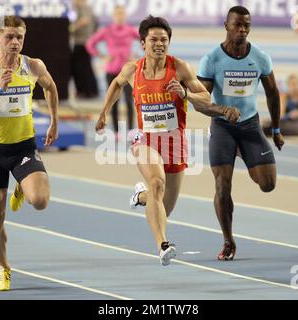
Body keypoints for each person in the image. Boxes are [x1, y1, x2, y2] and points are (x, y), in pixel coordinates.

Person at [95, 15, 231, 266]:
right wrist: (104, 112)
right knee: (157, 183)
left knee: (163, 208)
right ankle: (163, 246)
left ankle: (141, 196)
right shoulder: (133, 69)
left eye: (164, 39)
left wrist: (186, 93)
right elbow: (115, 84)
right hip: (145, 140)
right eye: (154, 39)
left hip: (175, 143)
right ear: (143, 43)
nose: (159, 44)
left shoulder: (179, 68)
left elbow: (207, 99)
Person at [0, 16, 59, 291]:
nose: (15, 42)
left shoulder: (33, 65)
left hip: (23, 148)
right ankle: (4, 268)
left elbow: (50, 86)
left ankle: (21, 184)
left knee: (40, 201)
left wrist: (54, 120)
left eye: (19, 37)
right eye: (9, 37)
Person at [197, 6, 284, 261]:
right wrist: (222, 109)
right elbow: (200, 102)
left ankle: (244, 150)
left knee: (268, 185)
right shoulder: (211, 59)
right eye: (237, 25)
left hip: (249, 125)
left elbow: (273, 93)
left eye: (246, 25)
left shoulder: (260, 57)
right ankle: (228, 240)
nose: (242, 30)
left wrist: (276, 129)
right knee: (223, 186)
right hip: (223, 127)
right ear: (226, 25)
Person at [86, 4, 140, 137]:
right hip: (112, 71)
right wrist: (102, 56)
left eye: (122, 14)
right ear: (113, 16)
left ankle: (130, 130)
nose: (120, 16)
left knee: (129, 100)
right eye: (117, 14)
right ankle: (116, 132)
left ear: (126, 16)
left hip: (128, 72)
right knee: (113, 102)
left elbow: (145, 40)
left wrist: (136, 55)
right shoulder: (107, 30)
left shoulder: (130, 30)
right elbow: (90, 44)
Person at [70, 0, 99, 98]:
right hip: (81, 42)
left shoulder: (85, 9)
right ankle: (84, 91)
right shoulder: (76, 10)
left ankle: (88, 91)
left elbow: (87, 22)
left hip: (83, 43)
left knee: (84, 68)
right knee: (78, 68)